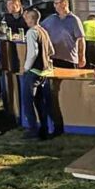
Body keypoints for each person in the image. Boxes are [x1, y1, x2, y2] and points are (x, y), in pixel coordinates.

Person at [21, 9, 57, 139]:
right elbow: (51, 50)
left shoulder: (31, 32)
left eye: (26, 17)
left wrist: (26, 67)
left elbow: (33, 53)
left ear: (31, 19)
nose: (25, 20)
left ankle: (33, 130)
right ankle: (45, 128)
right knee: (40, 102)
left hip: (33, 71)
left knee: (27, 101)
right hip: (44, 72)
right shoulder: (43, 31)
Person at [41, 0, 86, 70]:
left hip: (69, 59)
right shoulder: (51, 18)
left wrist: (82, 57)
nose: (55, 6)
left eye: (57, 3)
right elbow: (39, 29)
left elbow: (81, 39)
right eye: (54, 4)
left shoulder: (74, 20)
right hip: (53, 58)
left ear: (64, 3)